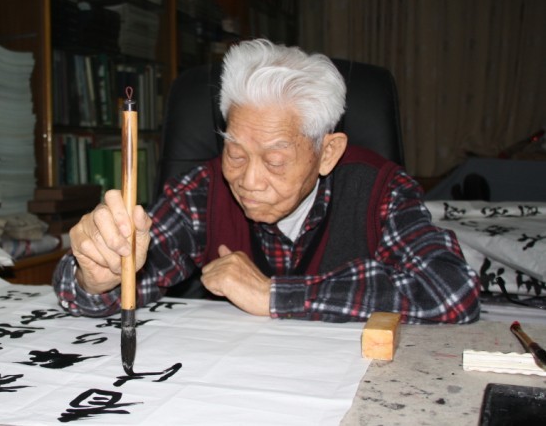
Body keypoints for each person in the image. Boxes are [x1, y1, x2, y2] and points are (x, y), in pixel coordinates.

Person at [53, 39, 480, 324]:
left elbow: (450, 291)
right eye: (235, 153)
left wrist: (274, 295)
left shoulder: (380, 190)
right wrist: (97, 275)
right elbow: (113, 279)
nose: (248, 181)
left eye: (275, 160)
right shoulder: (204, 188)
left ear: (327, 153)